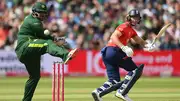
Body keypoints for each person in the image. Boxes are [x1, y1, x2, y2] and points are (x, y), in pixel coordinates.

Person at [15, 2, 76, 101]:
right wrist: (55, 39)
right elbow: (43, 36)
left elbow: (42, 37)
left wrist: (55, 40)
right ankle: (65, 55)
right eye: (41, 13)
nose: (43, 15)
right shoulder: (32, 21)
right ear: (34, 12)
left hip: (31, 52)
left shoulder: (36, 21)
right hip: (25, 48)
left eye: (44, 13)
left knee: (35, 77)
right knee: (47, 43)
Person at [92, 9, 156, 101]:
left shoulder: (131, 30)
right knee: (135, 71)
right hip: (114, 51)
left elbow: (141, 41)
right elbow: (113, 37)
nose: (135, 20)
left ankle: (98, 92)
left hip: (107, 54)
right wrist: (124, 47)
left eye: (137, 18)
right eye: (133, 18)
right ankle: (122, 92)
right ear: (129, 17)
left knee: (114, 80)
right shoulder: (124, 26)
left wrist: (149, 46)